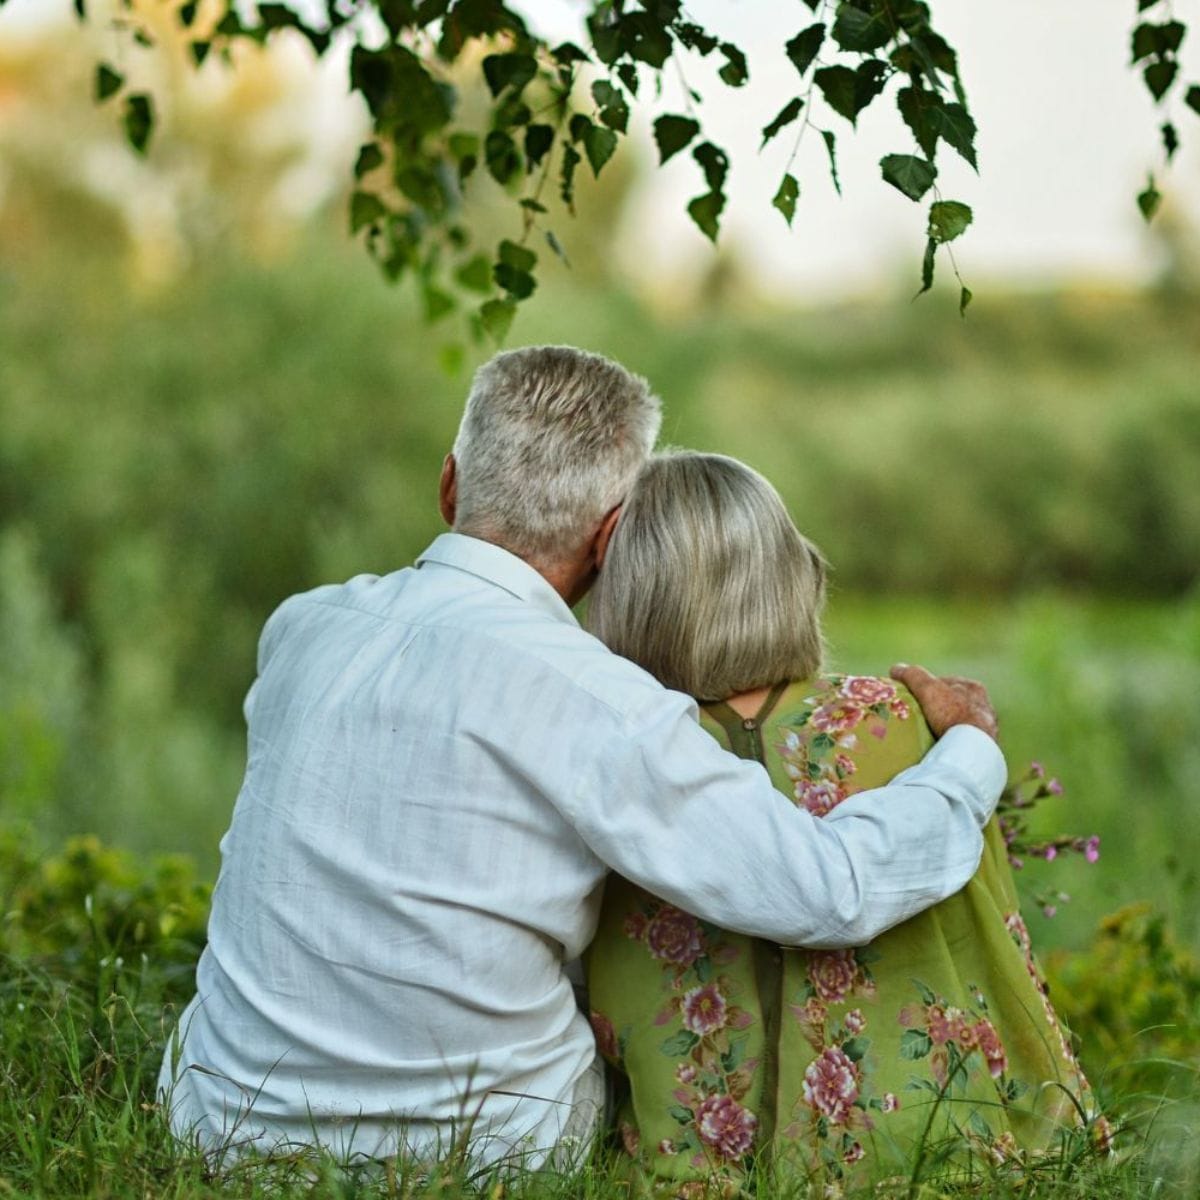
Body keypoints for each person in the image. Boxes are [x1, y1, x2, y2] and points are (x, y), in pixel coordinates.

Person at [158, 346, 1006, 1169]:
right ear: (610, 541)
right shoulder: (600, 704)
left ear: (449, 482)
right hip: (485, 1155)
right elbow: (828, 889)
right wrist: (966, 750)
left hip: (221, 1124)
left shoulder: (302, 627)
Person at [585, 451, 1105, 1194]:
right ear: (791, 573)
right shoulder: (892, 720)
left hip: (680, 1168)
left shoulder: (620, 748)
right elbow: (991, 933)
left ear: (631, 594)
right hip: (916, 1157)